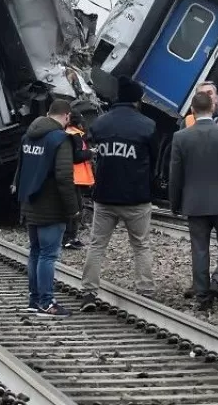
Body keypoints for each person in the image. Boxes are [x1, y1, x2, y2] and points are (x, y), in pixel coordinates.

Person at [80, 78, 158, 308]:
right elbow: (153, 160)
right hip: (137, 197)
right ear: (136, 100)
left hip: (105, 196)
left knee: (97, 245)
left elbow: (91, 145)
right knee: (141, 245)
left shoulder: (101, 123)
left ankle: (88, 293)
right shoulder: (148, 125)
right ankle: (145, 291)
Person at [169, 91, 218, 310]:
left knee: (199, 248)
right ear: (212, 109)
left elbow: (175, 175)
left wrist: (175, 203)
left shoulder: (181, 137)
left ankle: (203, 297)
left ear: (192, 110)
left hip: (195, 204)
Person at [14, 99, 78, 318]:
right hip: (51, 207)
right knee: (48, 256)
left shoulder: (27, 136)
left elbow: (21, 170)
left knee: (35, 253)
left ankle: (34, 300)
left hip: (30, 203)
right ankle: (46, 302)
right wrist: (73, 208)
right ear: (67, 116)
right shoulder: (60, 139)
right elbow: (64, 177)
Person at [62, 107, 94, 250]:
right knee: (74, 209)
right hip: (73, 177)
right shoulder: (73, 135)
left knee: (76, 208)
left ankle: (71, 237)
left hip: (74, 176)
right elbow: (76, 157)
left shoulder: (71, 133)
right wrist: (90, 152)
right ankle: (68, 238)